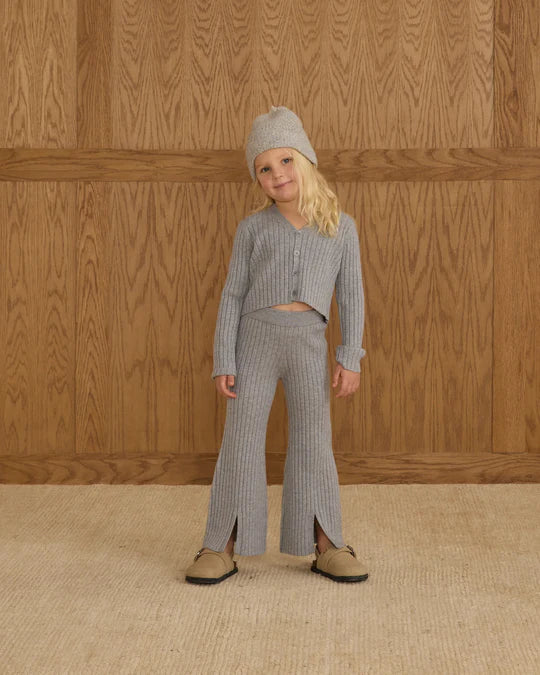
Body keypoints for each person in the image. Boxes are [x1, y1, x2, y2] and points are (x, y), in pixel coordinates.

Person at [185, 105, 369, 585]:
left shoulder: (341, 228)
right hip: (255, 341)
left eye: (285, 161)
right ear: (258, 179)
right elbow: (232, 295)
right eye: (264, 168)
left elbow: (351, 296)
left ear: (305, 160)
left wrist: (350, 356)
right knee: (241, 440)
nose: (277, 174)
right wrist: (224, 358)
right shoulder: (252, 229)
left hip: (308, 342)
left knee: (314, 440)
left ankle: (327, 543)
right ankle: (220, 544)